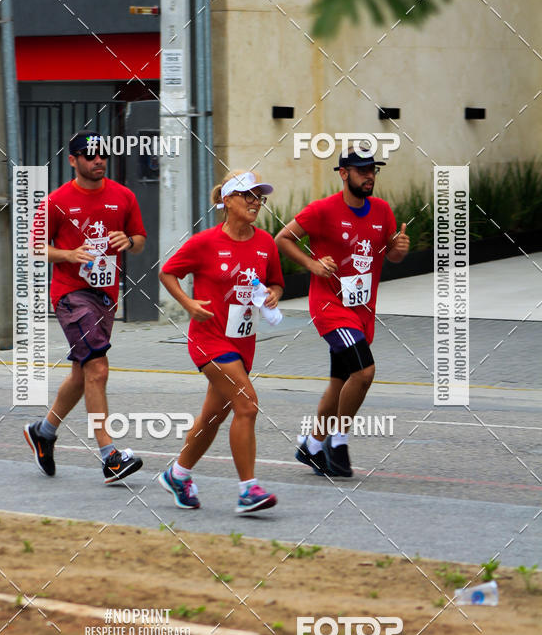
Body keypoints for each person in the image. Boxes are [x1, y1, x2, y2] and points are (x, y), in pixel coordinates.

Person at [275, 149, 409, 478]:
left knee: (341, 384)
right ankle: (338, 440)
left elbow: (391, 254)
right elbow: (283, 238)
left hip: (361, 310)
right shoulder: (323, 210)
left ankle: (312, 445)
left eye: (373, 170)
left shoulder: (382, 211)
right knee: (364, 373)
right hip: (330, 308)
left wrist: (399, 249)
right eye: (362, 171)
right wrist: (313, 264)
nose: (370, 176)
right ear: (343, 173)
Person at [24, 130, 147, 484]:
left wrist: (129, 240)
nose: (98, 161)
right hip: (70, 293)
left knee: (82, 373)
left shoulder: (123, 196)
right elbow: (34, 246)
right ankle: (109, 455)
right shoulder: (56, 201)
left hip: (106, 295)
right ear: (73, 160)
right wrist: (67, 254)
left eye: (102, 155)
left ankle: (43, 432)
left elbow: (139, 241)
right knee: (98, 368)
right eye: (89, 155)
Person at [158, 170, 285, 514]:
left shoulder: (266, 243)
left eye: (259, 196)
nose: (255, 202)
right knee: (247, 404)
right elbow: (167, 271)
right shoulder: (205, 243)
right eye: (248, 195)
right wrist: (188, 304)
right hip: (209, 340)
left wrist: (272, 295)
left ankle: (178, 474)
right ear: (227, 200)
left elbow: (275, 283)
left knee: (213, 417)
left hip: (244, 343)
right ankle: (248, 490)